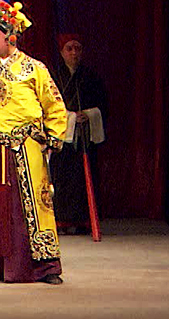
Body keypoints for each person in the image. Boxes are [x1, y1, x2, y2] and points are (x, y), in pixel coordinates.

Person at [0, 0, 68, 285]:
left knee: (32, 205)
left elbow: (54, 104)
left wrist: (52, 138)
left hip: (25, 146)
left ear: (11, 36)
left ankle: (44, 267)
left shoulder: (34, 68)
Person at [48, 34, 108, 234]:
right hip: (64, 137)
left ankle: (84, 220)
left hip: (84, 135)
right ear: (61, 52)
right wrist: (71, 117)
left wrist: (89, 114)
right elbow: (48, 107)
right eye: (69, 49)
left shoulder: (90, 77)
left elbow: (103, 105)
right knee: (63, 178)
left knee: (83, 179)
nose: (74, 53)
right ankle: (62, 220)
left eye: (77, 49)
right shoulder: (53, 77)